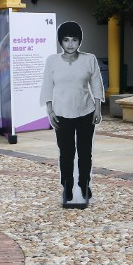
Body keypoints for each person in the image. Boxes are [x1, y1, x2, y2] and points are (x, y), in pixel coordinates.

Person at [40, 21, 104, 207]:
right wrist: (50, 111)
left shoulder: (89, 59)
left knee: (85, 153)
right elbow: (47, 86)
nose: (70, 44)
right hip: (61, 114)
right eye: (66, 40)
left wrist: (98, 109)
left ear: (79, 41)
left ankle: (84, 184)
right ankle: (66, 186)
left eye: (74, 40)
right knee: (66, 153)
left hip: (86, 112)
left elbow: (96, 84)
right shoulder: (52, 61)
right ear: (61, 41)